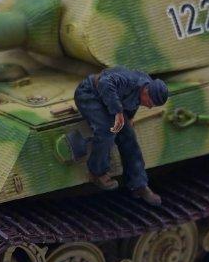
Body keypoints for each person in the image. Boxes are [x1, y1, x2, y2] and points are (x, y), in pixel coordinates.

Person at [72, 66, 169, 205]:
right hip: (90, 94)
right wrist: (118, 112)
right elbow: (104, 82)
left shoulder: (145, 87)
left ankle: (139, 184)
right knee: (107, 131)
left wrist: (129, 117)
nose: (149, 107)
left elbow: (134, 102)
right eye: (150, 103)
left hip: (112, 100)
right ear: (146, 91)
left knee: (129, 137)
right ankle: (97, 172)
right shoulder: (130, 80)